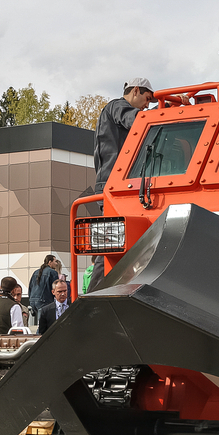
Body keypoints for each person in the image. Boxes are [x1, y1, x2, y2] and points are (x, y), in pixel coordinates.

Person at [89, 78, 157, 292]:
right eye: (147, 99)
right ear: (135, 91)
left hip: (120, 186)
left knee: (116, 246)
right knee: (111, 247)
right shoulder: (117, 107)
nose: (147, 105)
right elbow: (136, 119)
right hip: (114, 186)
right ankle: (94, 295)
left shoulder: (115, 113)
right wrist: (161, 112)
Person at [28, 255, 59, 328]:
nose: (56, 263)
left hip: (33, 300)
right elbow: (56, 287)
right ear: (50, 262)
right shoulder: (52, 272)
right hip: (45, 300)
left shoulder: (36, 272)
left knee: (41, 324)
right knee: (44, 326)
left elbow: (30, 287)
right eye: (55, 261)